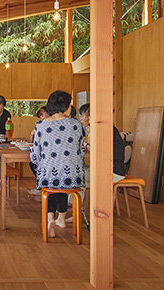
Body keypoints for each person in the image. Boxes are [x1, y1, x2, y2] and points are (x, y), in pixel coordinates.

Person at [30, 90, 85, 238]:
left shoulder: (40, 126)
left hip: (49, 175)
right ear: (66, 106)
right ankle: (61, 219)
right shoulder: (76, 125)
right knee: (64, 177)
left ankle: (50, 219)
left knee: (50, 181)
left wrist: (40, 165)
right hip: (73, 176)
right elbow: (81, 150)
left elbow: (35, 154)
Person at [79, 103, 127, 182]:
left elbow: (95, 148)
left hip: (112, 172)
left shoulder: (104, 129)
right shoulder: (96, 128)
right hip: (107, 169)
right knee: (78, 172)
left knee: (77, 174)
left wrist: (86, 142)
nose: (81, 119)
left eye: (82, 115)